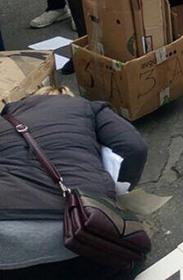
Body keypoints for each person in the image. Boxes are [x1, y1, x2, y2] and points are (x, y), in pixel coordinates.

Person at [0, 86, 148, 280]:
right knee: (129, 257)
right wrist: (116, 196)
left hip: (7, 251)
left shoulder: (4, 123)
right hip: (83, 240)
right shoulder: (84, 106)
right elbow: (134, 148)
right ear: (67, 96)